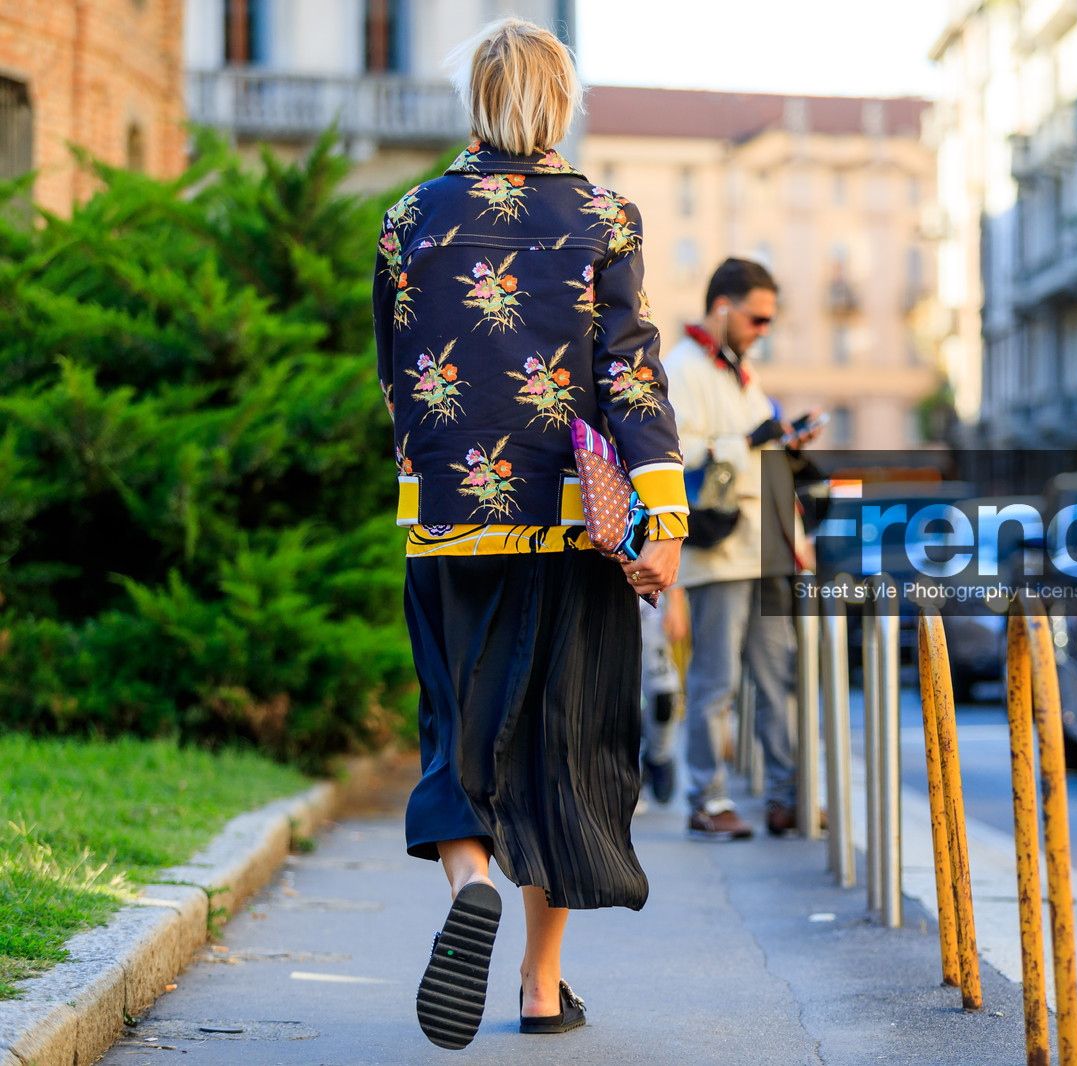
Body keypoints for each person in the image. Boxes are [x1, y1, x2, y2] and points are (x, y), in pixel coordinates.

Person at [372, 18, 686, 1050]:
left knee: (456, 725)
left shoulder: (408, 217)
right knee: (567, 745)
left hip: (450, 525)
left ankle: (469, 880)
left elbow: (393, 378)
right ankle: (541, 989)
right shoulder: (602, 214)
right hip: (574, 525)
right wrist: (663, 520)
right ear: (559, 101)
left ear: (476, 98)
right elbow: (631, 372)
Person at [664, 258, 820, 840]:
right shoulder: (683, 368)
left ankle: (786, 799)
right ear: (724, 308)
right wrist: (750, 440)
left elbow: (759, 455)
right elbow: (677, 454)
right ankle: (705, 801)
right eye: (757, 318)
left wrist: (785, 441)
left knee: (778, 680)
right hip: (721, 551)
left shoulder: (740, 372)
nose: (764, 330)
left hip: (765, 548)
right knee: (714, 684)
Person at [638, 586, 687, 807]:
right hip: (591, 597)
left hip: (647, 601)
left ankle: (658, 757)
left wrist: (675, 601)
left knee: (664, 697)